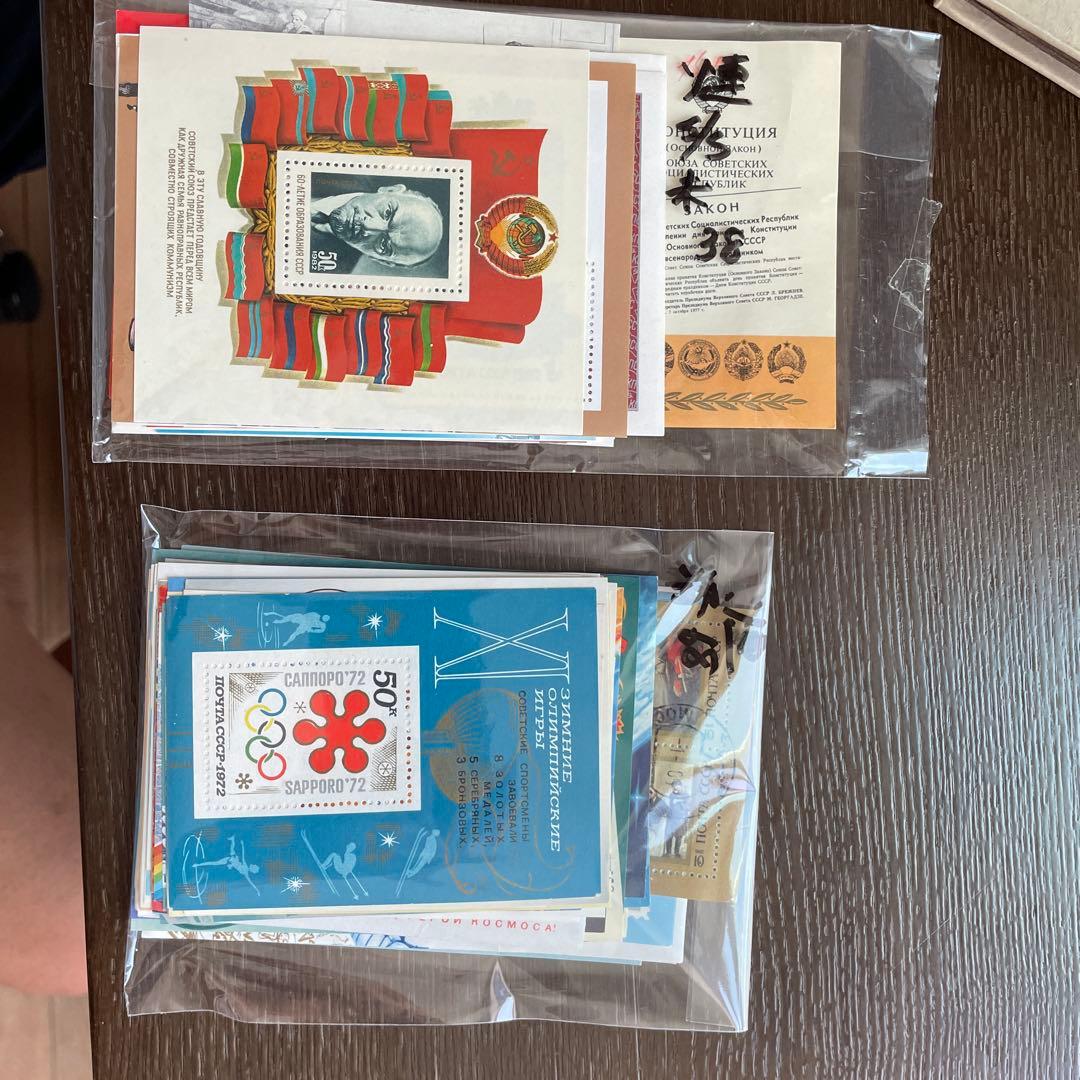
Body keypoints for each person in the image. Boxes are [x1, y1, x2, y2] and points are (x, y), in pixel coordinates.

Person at [310, 184, 444, 274]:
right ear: (390, 190)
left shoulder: (328, 274)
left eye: (384, 245)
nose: (369, 226)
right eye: (387, 212)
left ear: (378, 259)